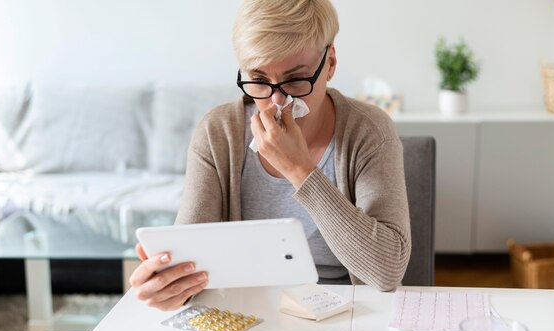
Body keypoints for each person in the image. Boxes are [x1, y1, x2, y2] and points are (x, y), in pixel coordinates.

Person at [129, 0, 411, 311]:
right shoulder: (219, 132)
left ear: (330, 63)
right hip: (245, 312)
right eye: (260, 81)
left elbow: (387, 271)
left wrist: (300, 170)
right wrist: (169, 285)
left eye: (295, 80)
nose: (278, 101)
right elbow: (189, 260)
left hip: (346, 313)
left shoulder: (369, 131)